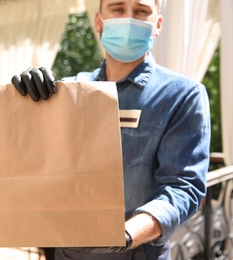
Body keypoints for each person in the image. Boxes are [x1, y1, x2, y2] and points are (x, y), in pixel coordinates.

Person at [11, 0, 211, 259]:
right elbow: (32, 157)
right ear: (98, 22)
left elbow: (184, 187)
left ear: (157, 25)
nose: (129, 19)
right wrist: (23, 101)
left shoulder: (183, 96)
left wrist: (124, 235)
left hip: (138, 253)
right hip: (66, 252)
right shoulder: (68, 90)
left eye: (141, 11)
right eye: (117, 8)